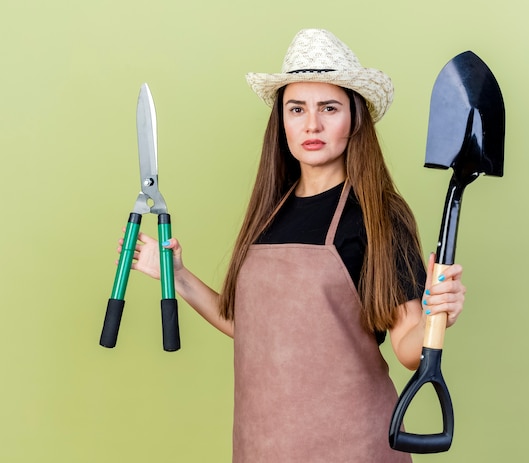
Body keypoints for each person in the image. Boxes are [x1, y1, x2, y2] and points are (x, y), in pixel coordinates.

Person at [122, 29, 466, 463]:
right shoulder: (270, 211)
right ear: (281, 119)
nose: (312, 125)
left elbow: (407, 349)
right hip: (263, 446)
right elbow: (253, 329)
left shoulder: (379, 216)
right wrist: (177, 275)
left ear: (354, 118)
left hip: (352, 448)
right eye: (297, 109)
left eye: (329, 108)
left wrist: (439, 315)